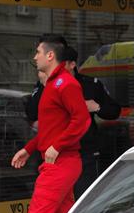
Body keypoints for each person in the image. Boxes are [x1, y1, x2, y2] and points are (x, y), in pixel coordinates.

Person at [11, 36, 90, 213]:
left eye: (38, 52)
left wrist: (57, 146)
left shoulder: (65, 84)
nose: (35, 57)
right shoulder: (53, 84)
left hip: (61, 163)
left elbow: (82, 119)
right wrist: (29, 149)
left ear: (50, 55)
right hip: (59, 161)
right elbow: (51, 129)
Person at [25, 46, 121, 198]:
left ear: (72, 64)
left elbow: (114, 111)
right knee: (58, 202)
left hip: (84, 152)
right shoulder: (47, 84)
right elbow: (32, 114)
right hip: (53, 154)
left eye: (61, 64)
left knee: (82, 198)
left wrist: (96, 107)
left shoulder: (90, 85)